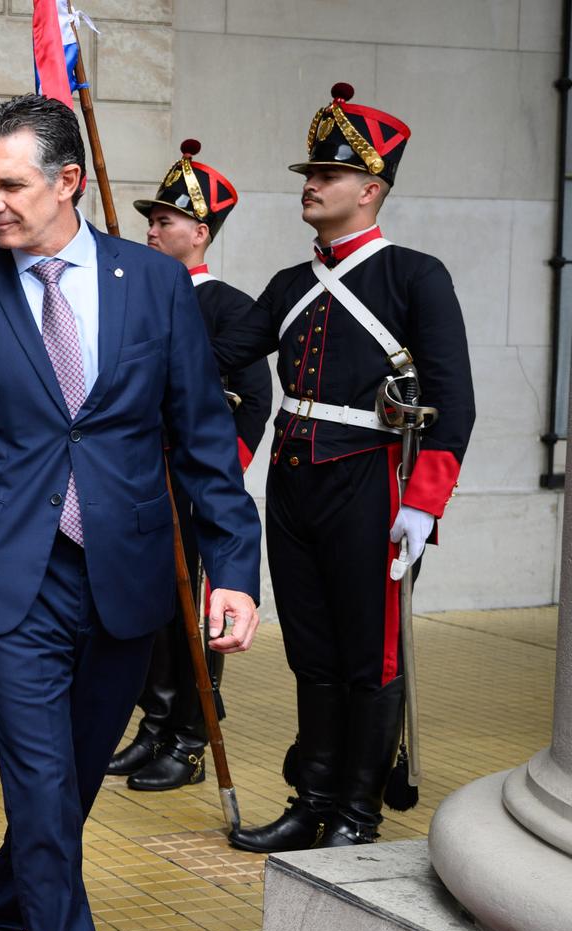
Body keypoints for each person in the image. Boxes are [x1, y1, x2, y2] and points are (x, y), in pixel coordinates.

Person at [0, 95, 262, 931]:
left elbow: (200, 444)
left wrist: (234, 568)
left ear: (68, 182)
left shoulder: (153, 287)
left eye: (9, 184)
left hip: (125, 577)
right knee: (42, 791)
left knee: (61, 804)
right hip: (9, 584)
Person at [213, 84, 474, 852]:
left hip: (372, 487)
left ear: (370, 189)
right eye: (309, 172)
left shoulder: (414, 277)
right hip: (293, 486)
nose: (311, 184)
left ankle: (357, 811)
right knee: (312, 652)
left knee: (370, 653)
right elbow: (219, 355)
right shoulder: (291, 286)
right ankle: (312, 797)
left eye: (327, 174)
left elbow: (454, 403)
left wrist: (423, 505)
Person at [107, 138, 272, 791]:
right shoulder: (135, 297)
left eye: (165, 220)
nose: (151, 229)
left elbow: (252, 399)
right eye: (150, 219)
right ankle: (155, 723)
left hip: (194, 485)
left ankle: (192, 738)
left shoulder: (230, 308)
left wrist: (212, 481)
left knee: (195, 612)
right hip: (137, 483)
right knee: (148, 611)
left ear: (200, 233)